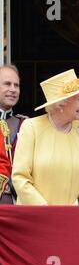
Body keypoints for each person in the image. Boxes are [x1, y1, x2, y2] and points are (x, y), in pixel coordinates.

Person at [12, 69, 79, 205]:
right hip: (36, 217)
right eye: (78, 99)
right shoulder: (31, 127)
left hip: (74, 217)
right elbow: (20, 177)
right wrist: (45, 210)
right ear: (61, 104)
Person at [0, 65, 28, 204]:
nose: (13, 89)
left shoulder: (27, 125)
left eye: (16, 85)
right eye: (7, 84)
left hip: (18, 205)